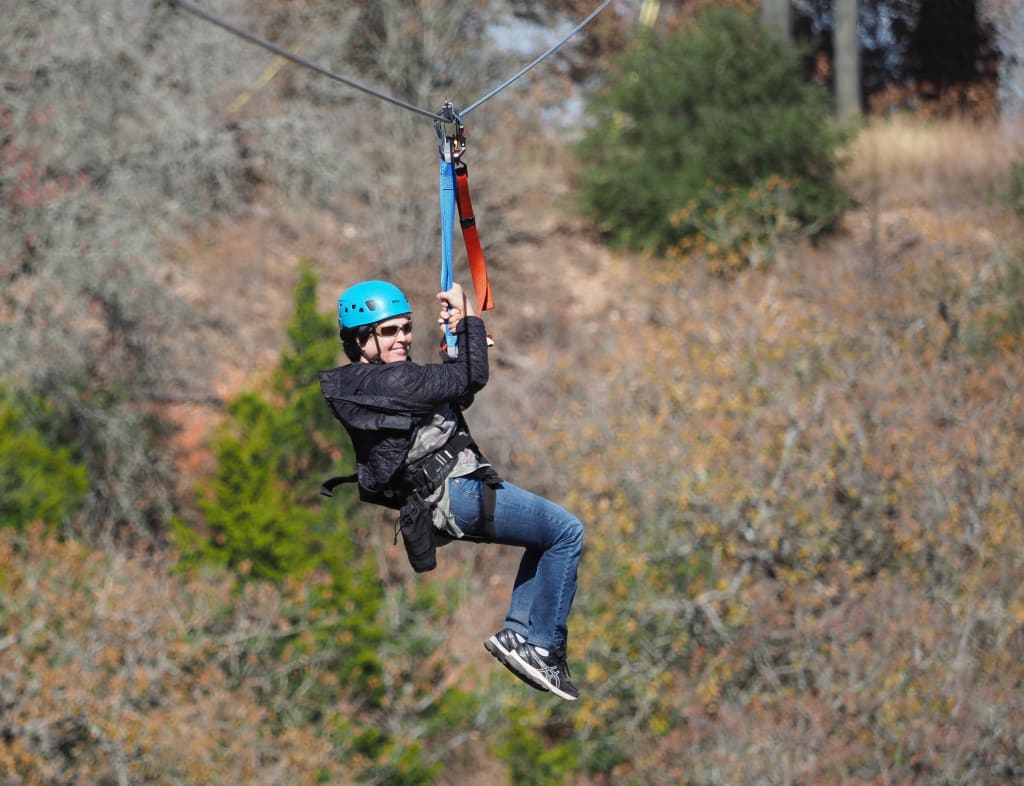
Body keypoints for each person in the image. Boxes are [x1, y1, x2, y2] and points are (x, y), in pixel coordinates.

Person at [318, 279, 583, 701]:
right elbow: (471, 378)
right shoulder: (386, 383)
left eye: (405, 328)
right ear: (359, 340)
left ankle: (519, 635)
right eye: (389, 331)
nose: (402, 337)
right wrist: (471, 317)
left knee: (547, 538)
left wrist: (457, 341)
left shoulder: (380, 384)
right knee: (567, 533)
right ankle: (543, 646)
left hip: (452, 492)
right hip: (456, 492)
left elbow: (452, 396)